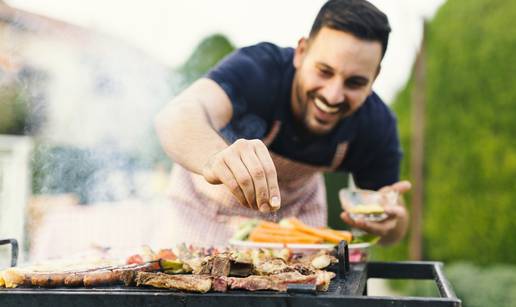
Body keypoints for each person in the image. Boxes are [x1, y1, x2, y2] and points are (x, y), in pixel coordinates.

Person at [155, 0, 411, 247]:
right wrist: (215, 159)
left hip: (295, 221)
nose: (333, 96)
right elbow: (177, 116)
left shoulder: (376, 124)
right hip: (203, 213)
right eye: (324, 71)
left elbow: (393, 231)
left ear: (374, 77)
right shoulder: (260, 70)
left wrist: (390, 224)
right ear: (301, 53)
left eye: (354, 83)